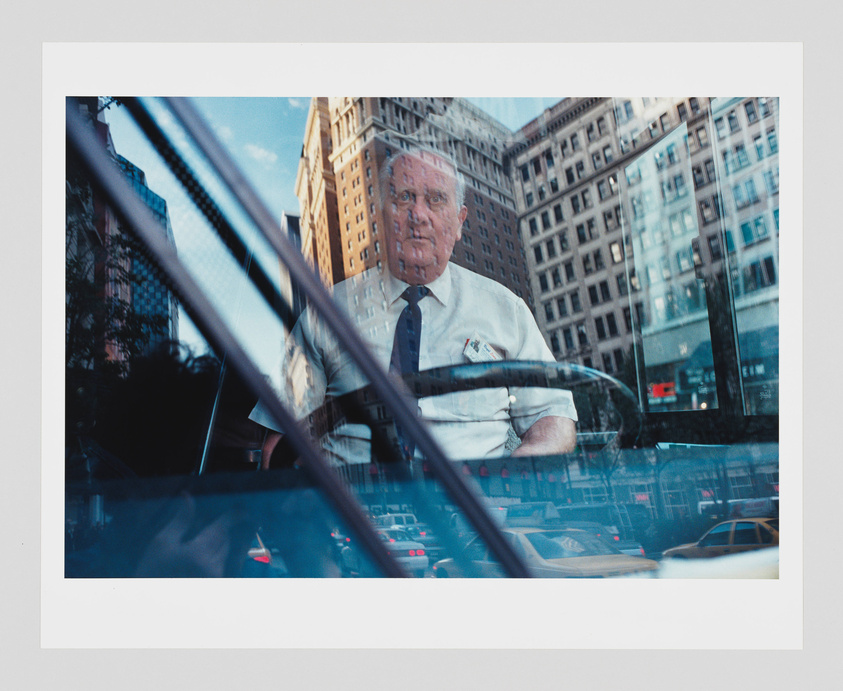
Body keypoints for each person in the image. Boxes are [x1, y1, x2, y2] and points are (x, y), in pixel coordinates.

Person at [251, 146, 577, 466]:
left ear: (459, 221)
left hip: (477, 512)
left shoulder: (507, 310)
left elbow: (553, 419)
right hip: (355, 511)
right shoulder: (326, 313)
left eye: (435, 199)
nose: (418, 215)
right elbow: (279, 443)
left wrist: (513, 477)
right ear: (381, 214)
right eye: (404, 197)